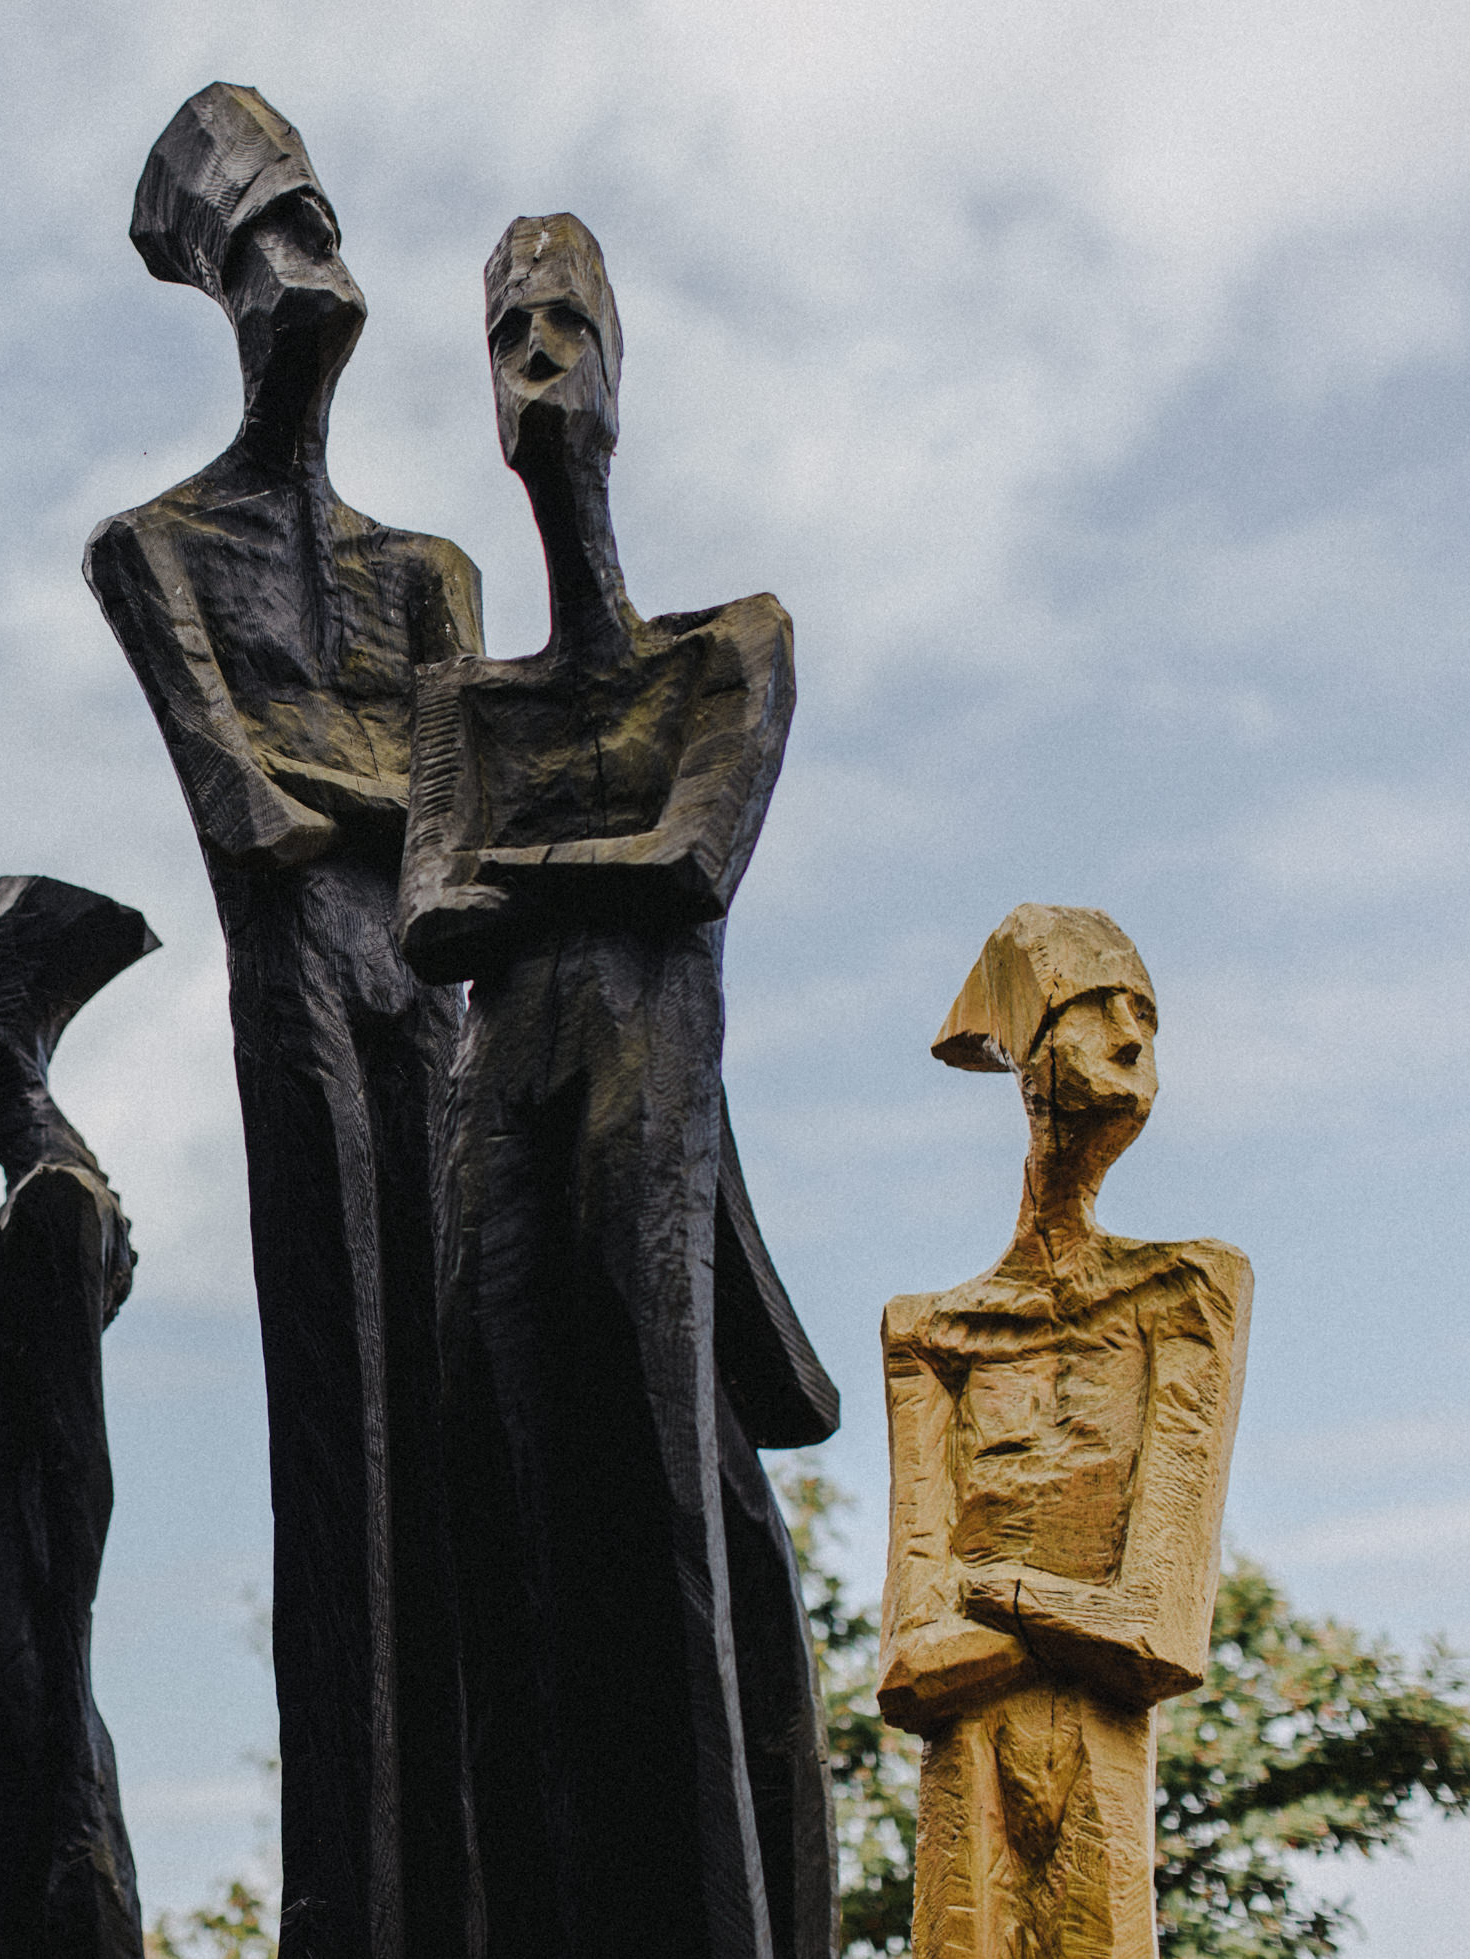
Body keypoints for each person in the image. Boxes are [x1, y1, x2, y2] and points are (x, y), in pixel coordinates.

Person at [398, 214, 836, 1959]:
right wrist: (568, 863)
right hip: (494, 1110)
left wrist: (531, 869)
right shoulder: (461, 696)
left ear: (618, 367)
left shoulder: (727, 643)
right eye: (506, 331)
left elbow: (690, 866)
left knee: (663, 1485)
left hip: (638, 1102)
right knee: (502, 1497)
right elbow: (430, 913)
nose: (534, 361)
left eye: (564, 326)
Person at [84, 83, 482, 1959]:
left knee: (468, 1423)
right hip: (303, 1003)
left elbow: (462, 821)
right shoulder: (148, 549)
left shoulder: (431, 573)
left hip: (437, 1007)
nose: (314, 278)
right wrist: (377, 778)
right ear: (218, 290)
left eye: (319, 233)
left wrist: (352, 779)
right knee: (345, 1426)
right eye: (272, 247)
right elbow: (244, 808)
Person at [879, 905, 1251, 1959]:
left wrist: (991, 1591)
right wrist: (1064, 1616)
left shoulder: (1186, 1290)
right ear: (1026, 1055)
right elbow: (910, 1666)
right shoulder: (928, 1332)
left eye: (1144, 1017)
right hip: (968, 1778)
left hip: (1096, 1770)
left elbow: (1156, 1634)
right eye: (1095, 1012)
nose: (1133, 1041)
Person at [0, 875, 162, 1959]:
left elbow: (76, 1467)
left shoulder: (58, 1202)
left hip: (14, 1588)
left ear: (2, 1058)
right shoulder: (19, 1215)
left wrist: (66, 1711)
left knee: (48, 1842)